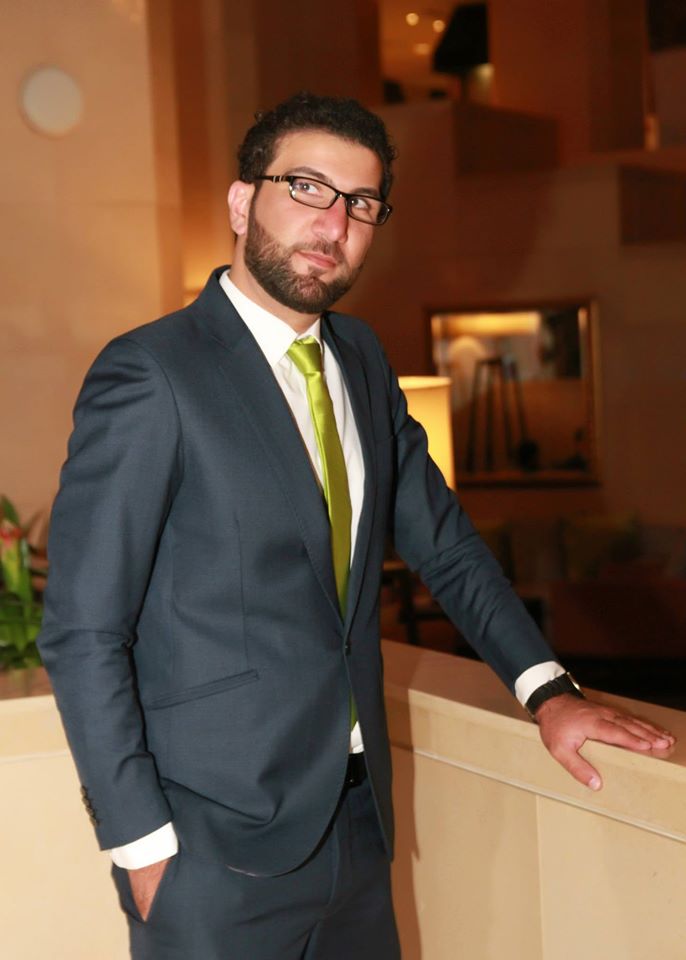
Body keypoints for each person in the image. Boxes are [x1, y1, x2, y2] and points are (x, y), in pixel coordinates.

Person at [38, 92, 674, 960]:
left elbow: (447, 547)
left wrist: (549, 692)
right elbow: (83, 629)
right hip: (209, 850)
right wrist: (140, 843)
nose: (333, 223)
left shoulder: (364, 360)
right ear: (241, 202)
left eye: (361, 203)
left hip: (357, 827)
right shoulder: (153, 373)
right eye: (306, 187)